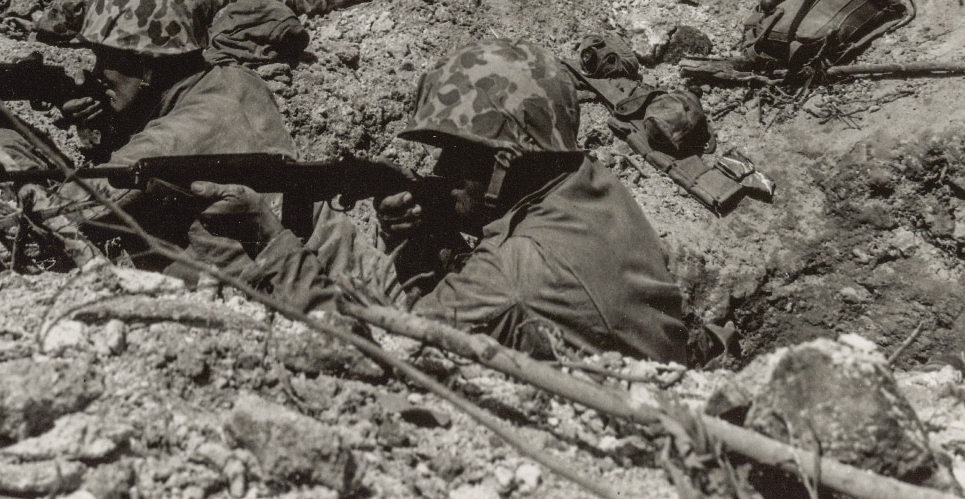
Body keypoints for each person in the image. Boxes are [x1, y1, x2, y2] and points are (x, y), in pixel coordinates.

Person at [199, 39, 689, 363]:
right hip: (648, 357)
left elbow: (375, 354)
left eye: (456, 157)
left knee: (327, 246)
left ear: (505, 161)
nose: (440, 173)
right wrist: (426, 233)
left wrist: (269, 238)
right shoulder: (586, 180)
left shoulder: (510, 277)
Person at [0, 0, 301, 279]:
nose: (96, 72)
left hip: (277, 301)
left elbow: (55, 215)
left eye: (106, 58)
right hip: (301, 273)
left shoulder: (177, 137)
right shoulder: (232, 80)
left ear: (148, 63)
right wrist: (105, 125)